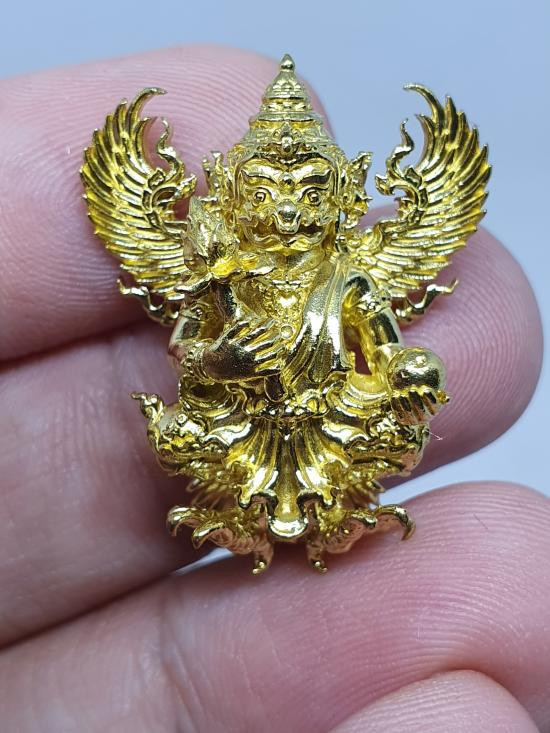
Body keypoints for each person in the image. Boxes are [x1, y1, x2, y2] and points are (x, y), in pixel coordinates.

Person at [0, 45, 545, 732]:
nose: (287, 213)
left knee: (395, 425)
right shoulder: (219, 277)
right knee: (180, 434)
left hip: (330, 424)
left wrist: (414, 375)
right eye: (265, 195)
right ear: (232, 197)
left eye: (308, 196)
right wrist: (222, 362)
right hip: (243, 429)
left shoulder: (348, 276)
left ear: (341, 200)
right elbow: (189, 355)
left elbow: (383, 355)